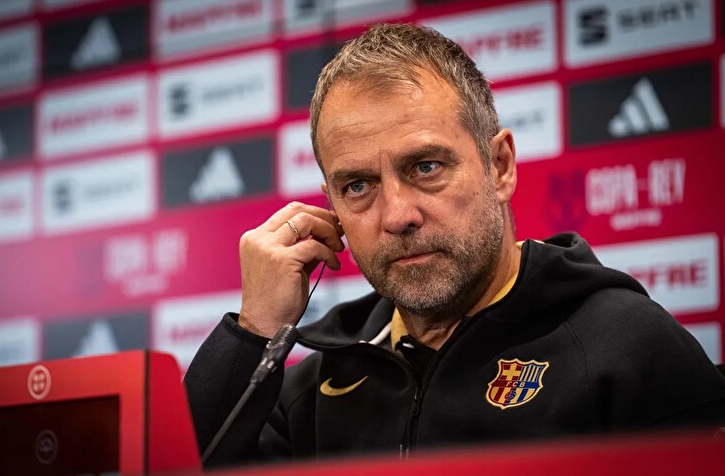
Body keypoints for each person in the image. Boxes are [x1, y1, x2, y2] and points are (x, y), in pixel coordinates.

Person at [184, 23, 725, 466]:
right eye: (358, 186)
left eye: (426, 167)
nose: (397, 215)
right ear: (332, 207)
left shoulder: (628, 349)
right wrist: (253, 331)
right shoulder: (315, 389)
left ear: (500, 166)